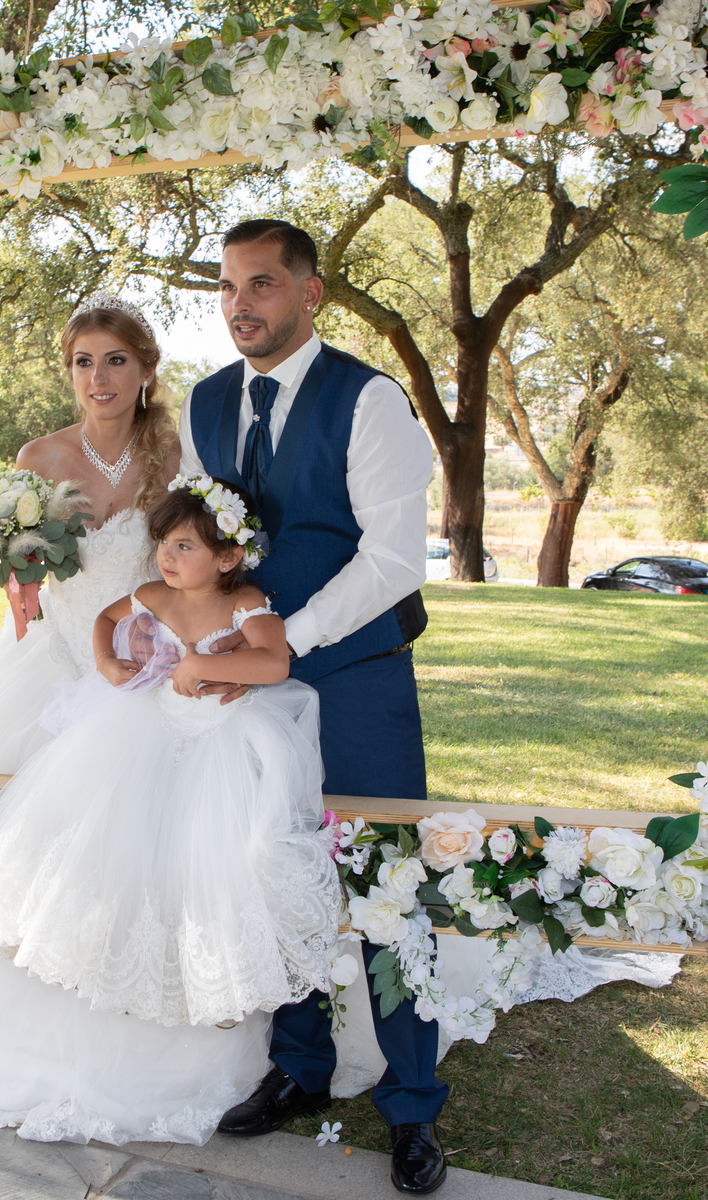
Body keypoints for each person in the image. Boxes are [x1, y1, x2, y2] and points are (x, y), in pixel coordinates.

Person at [0, 476, 341, 1146]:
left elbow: (277, 660)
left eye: (186, 546)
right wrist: (110, 665)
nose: (168, 557)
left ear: (228, 558)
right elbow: (105, 620)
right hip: (140, 732)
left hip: (215, 746)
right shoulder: (154, 594)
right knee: (108, 848)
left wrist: (211, 668)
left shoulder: (245, 602)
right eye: (166, 544)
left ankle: (208, 978)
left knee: (206, 861)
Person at [178, 219, 446, 1194]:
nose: (241, 304)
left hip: (358, 676)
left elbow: (393, 560)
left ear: (309, 294)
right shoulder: (206, 403)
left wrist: (295, 634)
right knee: (273, 871)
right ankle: (299, 1068)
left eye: (261, 284)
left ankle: (413, 1106)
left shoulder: (368, 399)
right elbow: (196, 536)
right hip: (250, 687)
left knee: (385, 882)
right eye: (228, 287)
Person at [0, 294, 178, 775]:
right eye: (84, 362)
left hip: (147, 660)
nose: (98, 379)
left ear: (146, 370)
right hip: (54, 663)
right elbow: (20, 566)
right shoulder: (38, 460)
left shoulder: (178, 459)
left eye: (115, 360)